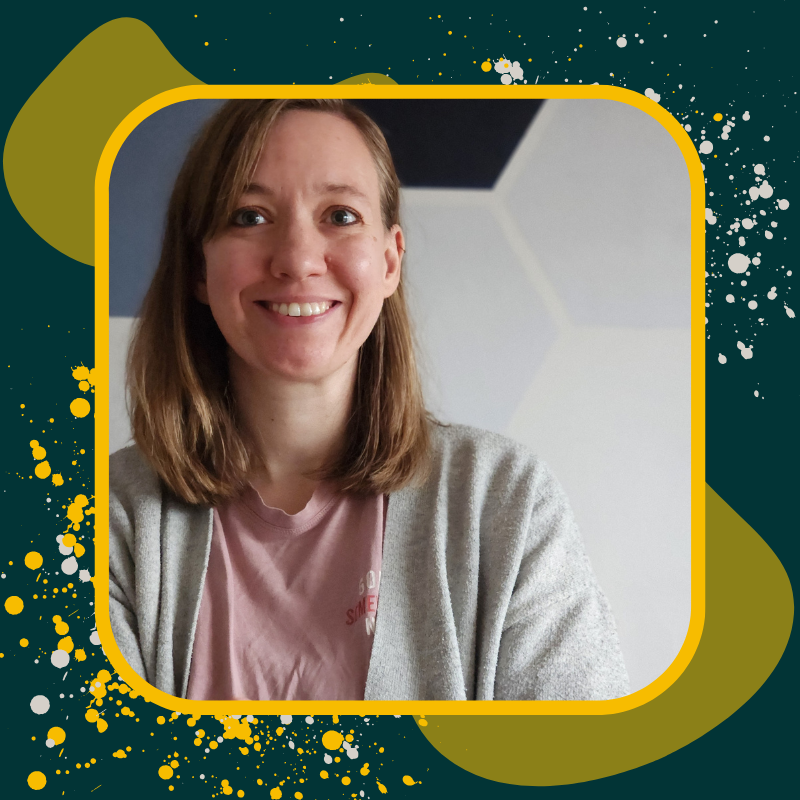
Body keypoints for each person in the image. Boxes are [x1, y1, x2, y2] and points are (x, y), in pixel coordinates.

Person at [109, 98, 629, 701]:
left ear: (389, 261)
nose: (299, 260)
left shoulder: (506, 503)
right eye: (250, 217)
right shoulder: (105, 518)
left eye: (340, 215)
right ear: (200, 269)